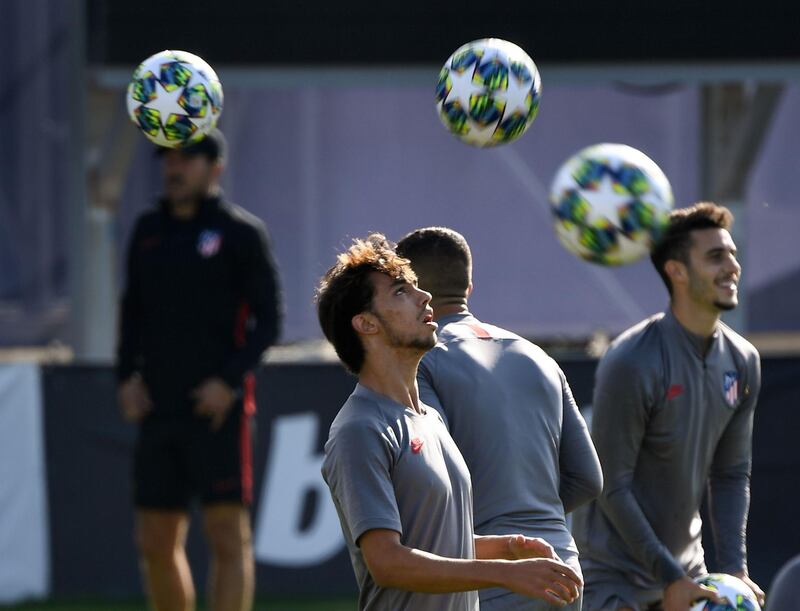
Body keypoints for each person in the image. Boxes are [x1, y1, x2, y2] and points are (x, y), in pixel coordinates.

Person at [317, 234, 583, 611]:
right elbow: (388, 563)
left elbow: (438, 544)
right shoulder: (359, 429)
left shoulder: (430, 419)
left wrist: (507, 549)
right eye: (399, 292)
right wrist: (505, 575)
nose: (423, 296)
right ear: (366, 324)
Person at [395, 226, 603, 611]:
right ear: (469, 288)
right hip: (561, 573)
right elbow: (588, 479)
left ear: (414, 293)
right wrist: (533, 527)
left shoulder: (422, 359)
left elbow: (429, 473)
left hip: (485, 576)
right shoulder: (539, 357)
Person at [116, 129, 282, 611]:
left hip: (217, 412)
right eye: (167, 156)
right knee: (154, 539)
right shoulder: (148, 231)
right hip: (158, 408)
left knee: (228, 537)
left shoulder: (240, 233)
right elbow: (132, 313)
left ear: (215, 167)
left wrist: (228, 382)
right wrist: (126, 378)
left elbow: (268, 320)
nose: (174, 167)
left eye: (186, 157)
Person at [573, 202, 764, 611]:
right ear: (676, 271)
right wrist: (668, 577)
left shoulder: (743, 360)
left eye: (732, 254)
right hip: (612, 580)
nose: (732, 266)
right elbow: (611, 484)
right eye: (716, 257)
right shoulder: (631, 359)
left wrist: (734, 571)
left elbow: (731, 473)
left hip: (688, 573)